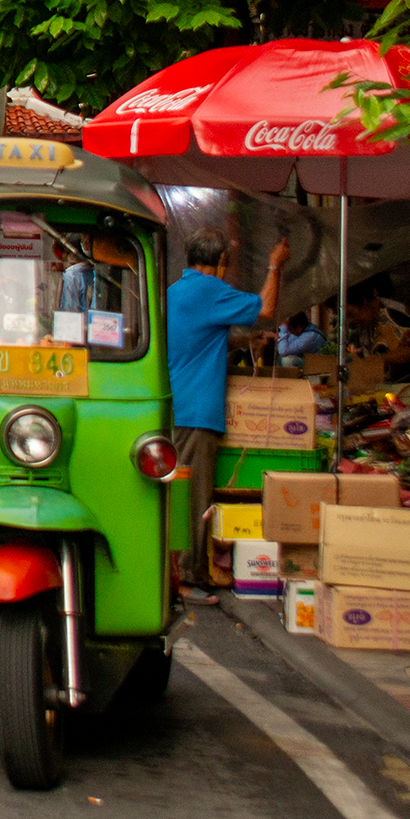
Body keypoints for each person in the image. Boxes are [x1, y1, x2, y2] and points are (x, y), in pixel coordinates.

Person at [166, 229, 288, 599]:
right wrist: (274, 266)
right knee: (193, 496)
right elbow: (265, 310)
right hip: (197, 409)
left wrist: (238, 342)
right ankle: (188, 578)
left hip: (177, 404)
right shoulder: (210, 289)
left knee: (178, 494)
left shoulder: (174, 291)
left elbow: (196, 338)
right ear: (220, 263)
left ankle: (179, 575)